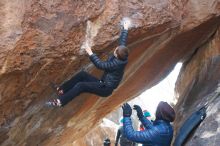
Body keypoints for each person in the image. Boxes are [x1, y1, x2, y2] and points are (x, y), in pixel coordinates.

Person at [47, 21, 129, 107]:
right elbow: (122, 43)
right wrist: (125, 28)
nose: (116, 49)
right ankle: (62, 90)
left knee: (81, 86)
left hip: (105, 88)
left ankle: (60, 102)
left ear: (117, 55)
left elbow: (100, 65)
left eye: (116, 51)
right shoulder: (123, 55)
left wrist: (90, 52)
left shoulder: (116, 64)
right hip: (102, 83)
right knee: (82, 75)